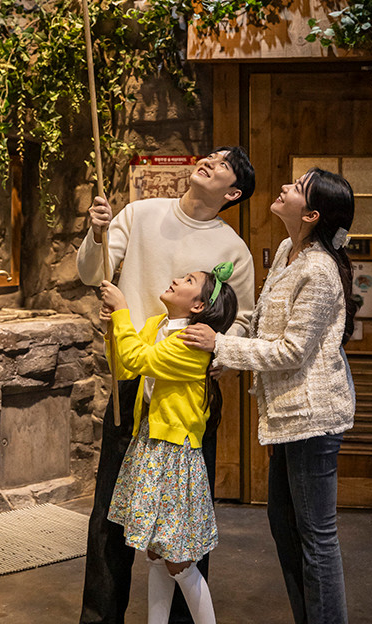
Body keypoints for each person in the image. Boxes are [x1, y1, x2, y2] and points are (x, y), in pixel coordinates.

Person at [77, 146, 256, 624]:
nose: (210, 160)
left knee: (183, 522)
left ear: (232, 192)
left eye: (223, 164)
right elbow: (91, 273)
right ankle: (100, 617)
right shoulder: (139, 213)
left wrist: (221, 352)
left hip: (188, 392)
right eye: (211, 154)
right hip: (132, 381)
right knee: (111, 512)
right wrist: (97, 233)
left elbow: (243, 320)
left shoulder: (233, 248)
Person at [181, 167, 356, 624]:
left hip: (314, 417)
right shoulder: (286, 251)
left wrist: (219, 343)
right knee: (285, 527)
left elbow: (294, 350)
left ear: (312, 214)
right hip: (287, 415)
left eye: (297, 189)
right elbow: (266, 322)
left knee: (316, 537)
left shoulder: (319, 269)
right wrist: (229, 356)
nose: (285, 187)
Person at [99, 262, 239, 624]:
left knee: (178, 560)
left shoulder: (191, 342)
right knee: (156, 555)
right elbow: (125, 367)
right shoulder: (156, 326)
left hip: (174, 454)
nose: (176, 279)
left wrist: (122, 310)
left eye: (188, 281)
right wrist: (111, 328)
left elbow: (139, 358)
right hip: (150, 444)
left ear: (197, 306)